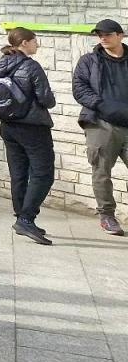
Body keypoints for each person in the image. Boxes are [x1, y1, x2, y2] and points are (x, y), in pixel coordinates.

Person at [0, 27, 56, 244]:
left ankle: (21, 217)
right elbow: (46, 99)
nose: (37, 45)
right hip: (33, 127)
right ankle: (26, 219)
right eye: (35, 41)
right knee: (43, 173)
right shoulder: (30, 66)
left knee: (18, 173)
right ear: (25, 43)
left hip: (8, 126)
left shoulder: (0, 66)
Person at [72, 18, 128, 235]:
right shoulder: (89, 61)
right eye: (99, 35)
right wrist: (102, 105)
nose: (103, 38)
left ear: (120, 35)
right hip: (101, 123)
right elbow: (80, 88)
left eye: (108, 34)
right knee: (102, 171)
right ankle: (107, 215)